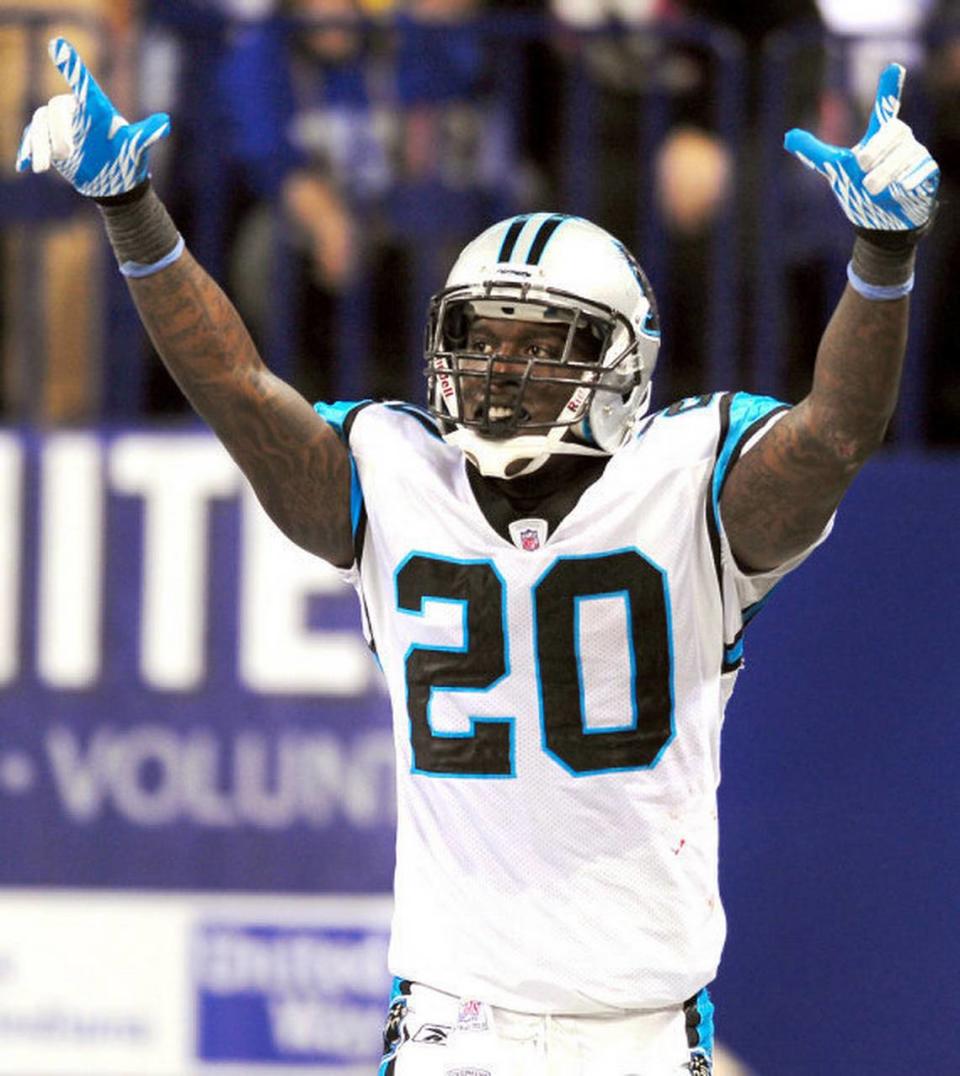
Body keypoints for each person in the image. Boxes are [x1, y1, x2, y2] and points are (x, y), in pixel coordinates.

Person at [16, 37, 939, 1075]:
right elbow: (238, 389)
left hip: (636, 1023)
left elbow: (835, 435)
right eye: (482, 334)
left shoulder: (689, 483)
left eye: (540, 345)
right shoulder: (394, 471)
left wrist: (882, 256)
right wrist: (132, 206)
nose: (499, 367)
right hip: (456, 1017)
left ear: (618, 364)